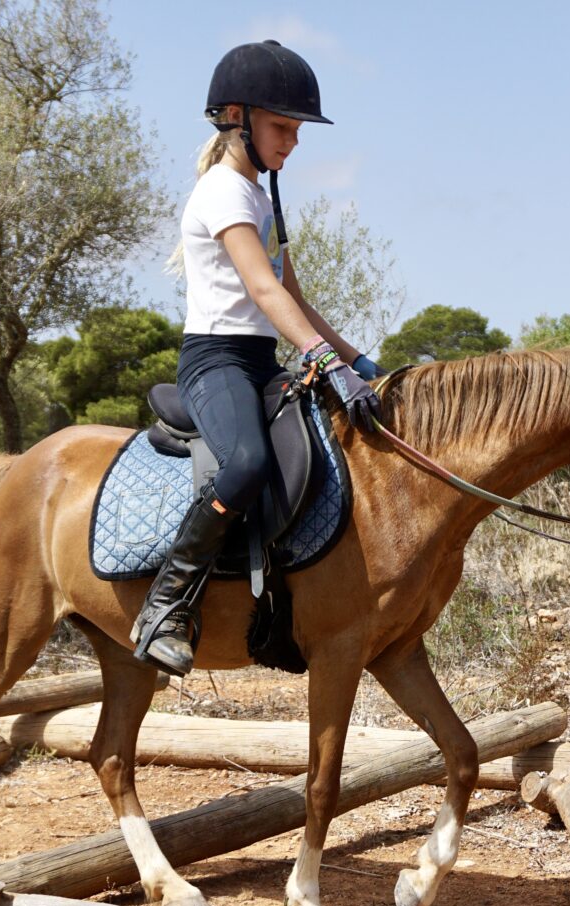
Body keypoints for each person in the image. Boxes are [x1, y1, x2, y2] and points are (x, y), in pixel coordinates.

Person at [132, 40, 383, 676]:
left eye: (298, 131)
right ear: (236, 117)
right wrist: (325, 361)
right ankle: (165, 603)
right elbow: (263, 290)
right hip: (215, 361)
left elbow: (295, 295)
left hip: (264, 361)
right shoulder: (223, 192)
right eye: (283, 127)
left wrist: (358, 363)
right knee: (244, 463)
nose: (293, 143)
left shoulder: (263, 198)